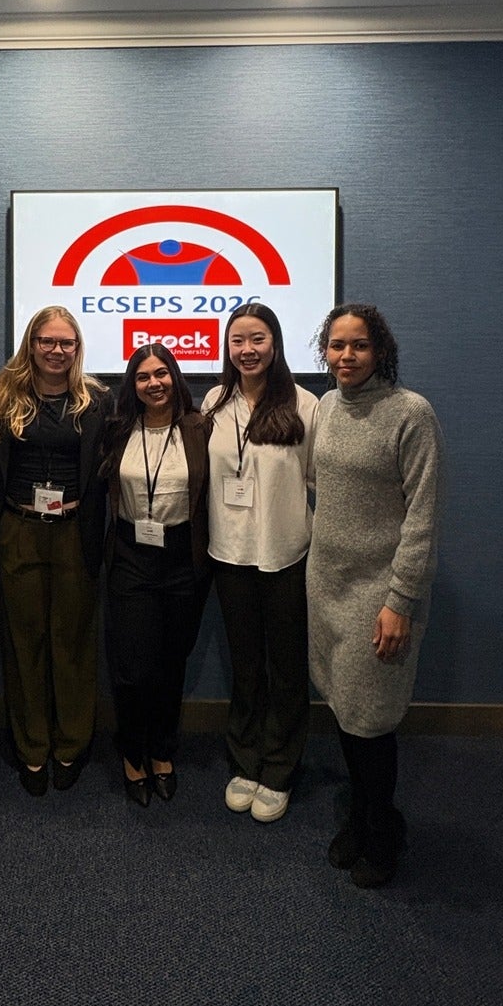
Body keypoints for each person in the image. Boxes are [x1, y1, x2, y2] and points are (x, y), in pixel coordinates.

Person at [308, 303, 445, 889]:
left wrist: (401, 600)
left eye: (359, 345)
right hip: (327, 583)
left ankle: (383, 831)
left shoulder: (411, 413)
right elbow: (321, 485)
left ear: (380, 350)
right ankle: (362, 815)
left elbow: (423, 517)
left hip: (379, 593)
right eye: (337, 345)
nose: (346, 356)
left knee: (372, 719)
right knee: (344, 707)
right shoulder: (326, 407)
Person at [0, 306, 110, 795]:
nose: (57, 351)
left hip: (76, 531)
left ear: (77, 348)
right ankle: (32, 748)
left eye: (66, 343)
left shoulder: (96, 400)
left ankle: (71, 744)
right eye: (47, 341)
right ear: (31, 344)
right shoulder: (1, 395)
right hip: (19, 527)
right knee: (24, 641)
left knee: (73, 640)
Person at [204, 302, 318, 824]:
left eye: (257, 339)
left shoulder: (305, 404)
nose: (247, 350)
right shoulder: (215, 400)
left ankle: (279, 768)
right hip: (229, 553)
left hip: (285, 554)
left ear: (275, 343)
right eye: (237, 341)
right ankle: (246, 761)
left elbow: (318, 481)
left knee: (287, 667)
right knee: (245, 664)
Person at [100, 345, 211, 807]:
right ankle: (132, 754)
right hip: (131, 556)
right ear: (133, 385)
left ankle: (163, 752)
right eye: (143, 377)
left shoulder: (200, 428)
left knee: (171, 662)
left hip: (183, 557)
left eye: (161, 373)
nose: (154, 383)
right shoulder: (118, 429)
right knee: (132, 667)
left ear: (175, 376)